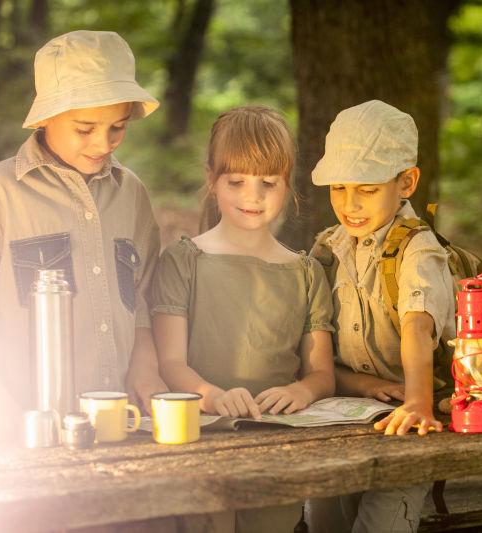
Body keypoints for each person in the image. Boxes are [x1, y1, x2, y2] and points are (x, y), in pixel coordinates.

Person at [0, 30, 168, 451]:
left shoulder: (131, 192)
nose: (103, 143)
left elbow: (140, 297)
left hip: (121, 430)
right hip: (21, 434)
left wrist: (146, 368)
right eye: (85, 129)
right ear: (45, 117)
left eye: (117, 127)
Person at [151, 105, 335, 532]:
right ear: (212, 180)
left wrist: (303, 391)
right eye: (237, 181)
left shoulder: (305, 272)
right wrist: (212, 396)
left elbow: (322, 372)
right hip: (200, 440)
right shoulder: (184, 261)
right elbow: (170, 363)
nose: (253, 196)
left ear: (288, 186)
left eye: (268, 183)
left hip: (275, 447)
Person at [306, 100, 456, 533]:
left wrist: (417, 401)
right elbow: (319, 353)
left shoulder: (418, 248)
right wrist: (369, 386)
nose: (349, 204)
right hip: (344, 414)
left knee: (383, 520)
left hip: (409, 419)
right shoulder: (329, 249)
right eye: (338, 188)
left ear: (406, 182)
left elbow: (417, 324)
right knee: (322, 519)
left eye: (367, 189)